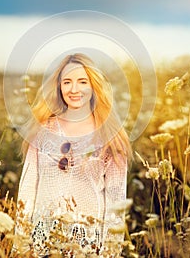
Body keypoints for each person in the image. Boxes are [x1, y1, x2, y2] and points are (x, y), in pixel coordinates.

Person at [16, 53, 132, 256]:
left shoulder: (110, 136)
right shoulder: (42, 130)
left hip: (87, 246)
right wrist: (20, 246)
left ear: (93, 86)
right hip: (42, 243)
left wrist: (109, 252)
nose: (74, 89)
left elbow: (116, 201)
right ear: (59, 87)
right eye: (67, 82)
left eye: (82, 81)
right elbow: (27, 190)